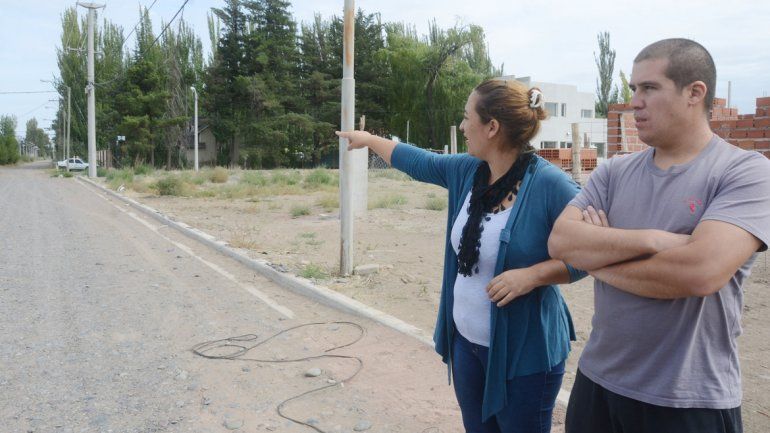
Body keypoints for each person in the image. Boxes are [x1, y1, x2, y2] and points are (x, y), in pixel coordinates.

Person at [337, 79, 585, 433]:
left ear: (492, 128)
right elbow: (419, 161)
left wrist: (534, 275)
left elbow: (590, 256)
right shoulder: (469, 171)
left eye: (468, 118)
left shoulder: (550, 185)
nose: (464, 126)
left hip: (525, 357)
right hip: (467, 345)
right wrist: (370, 141)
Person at [548, 38, 770, 433]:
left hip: (687, 401)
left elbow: (698, 273)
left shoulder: (745, 173)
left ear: (694, 93)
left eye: (649, 88)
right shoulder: (613, 171)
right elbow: (561, 243)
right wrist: (652, 241)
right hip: (597, 385)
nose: (635, 101)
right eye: (633, 89)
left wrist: (598, 257)